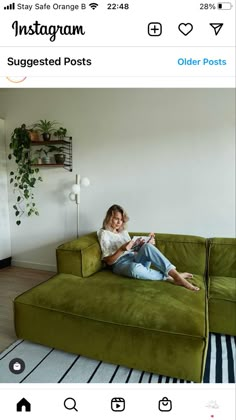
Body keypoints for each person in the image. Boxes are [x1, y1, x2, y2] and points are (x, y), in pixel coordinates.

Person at [97, 204, 200, 291]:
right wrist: (121, 249)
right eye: (116, 219)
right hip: (119, 264)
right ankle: (173, 277)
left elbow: (134, 251)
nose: (119, 222)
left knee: (147, 246)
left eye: (121, 220)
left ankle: (175, 275)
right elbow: (108, 261)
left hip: (134, 258)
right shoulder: (103, 233)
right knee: (134, 268)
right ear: (110, 218)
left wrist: (146, 243)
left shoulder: (123, 232)